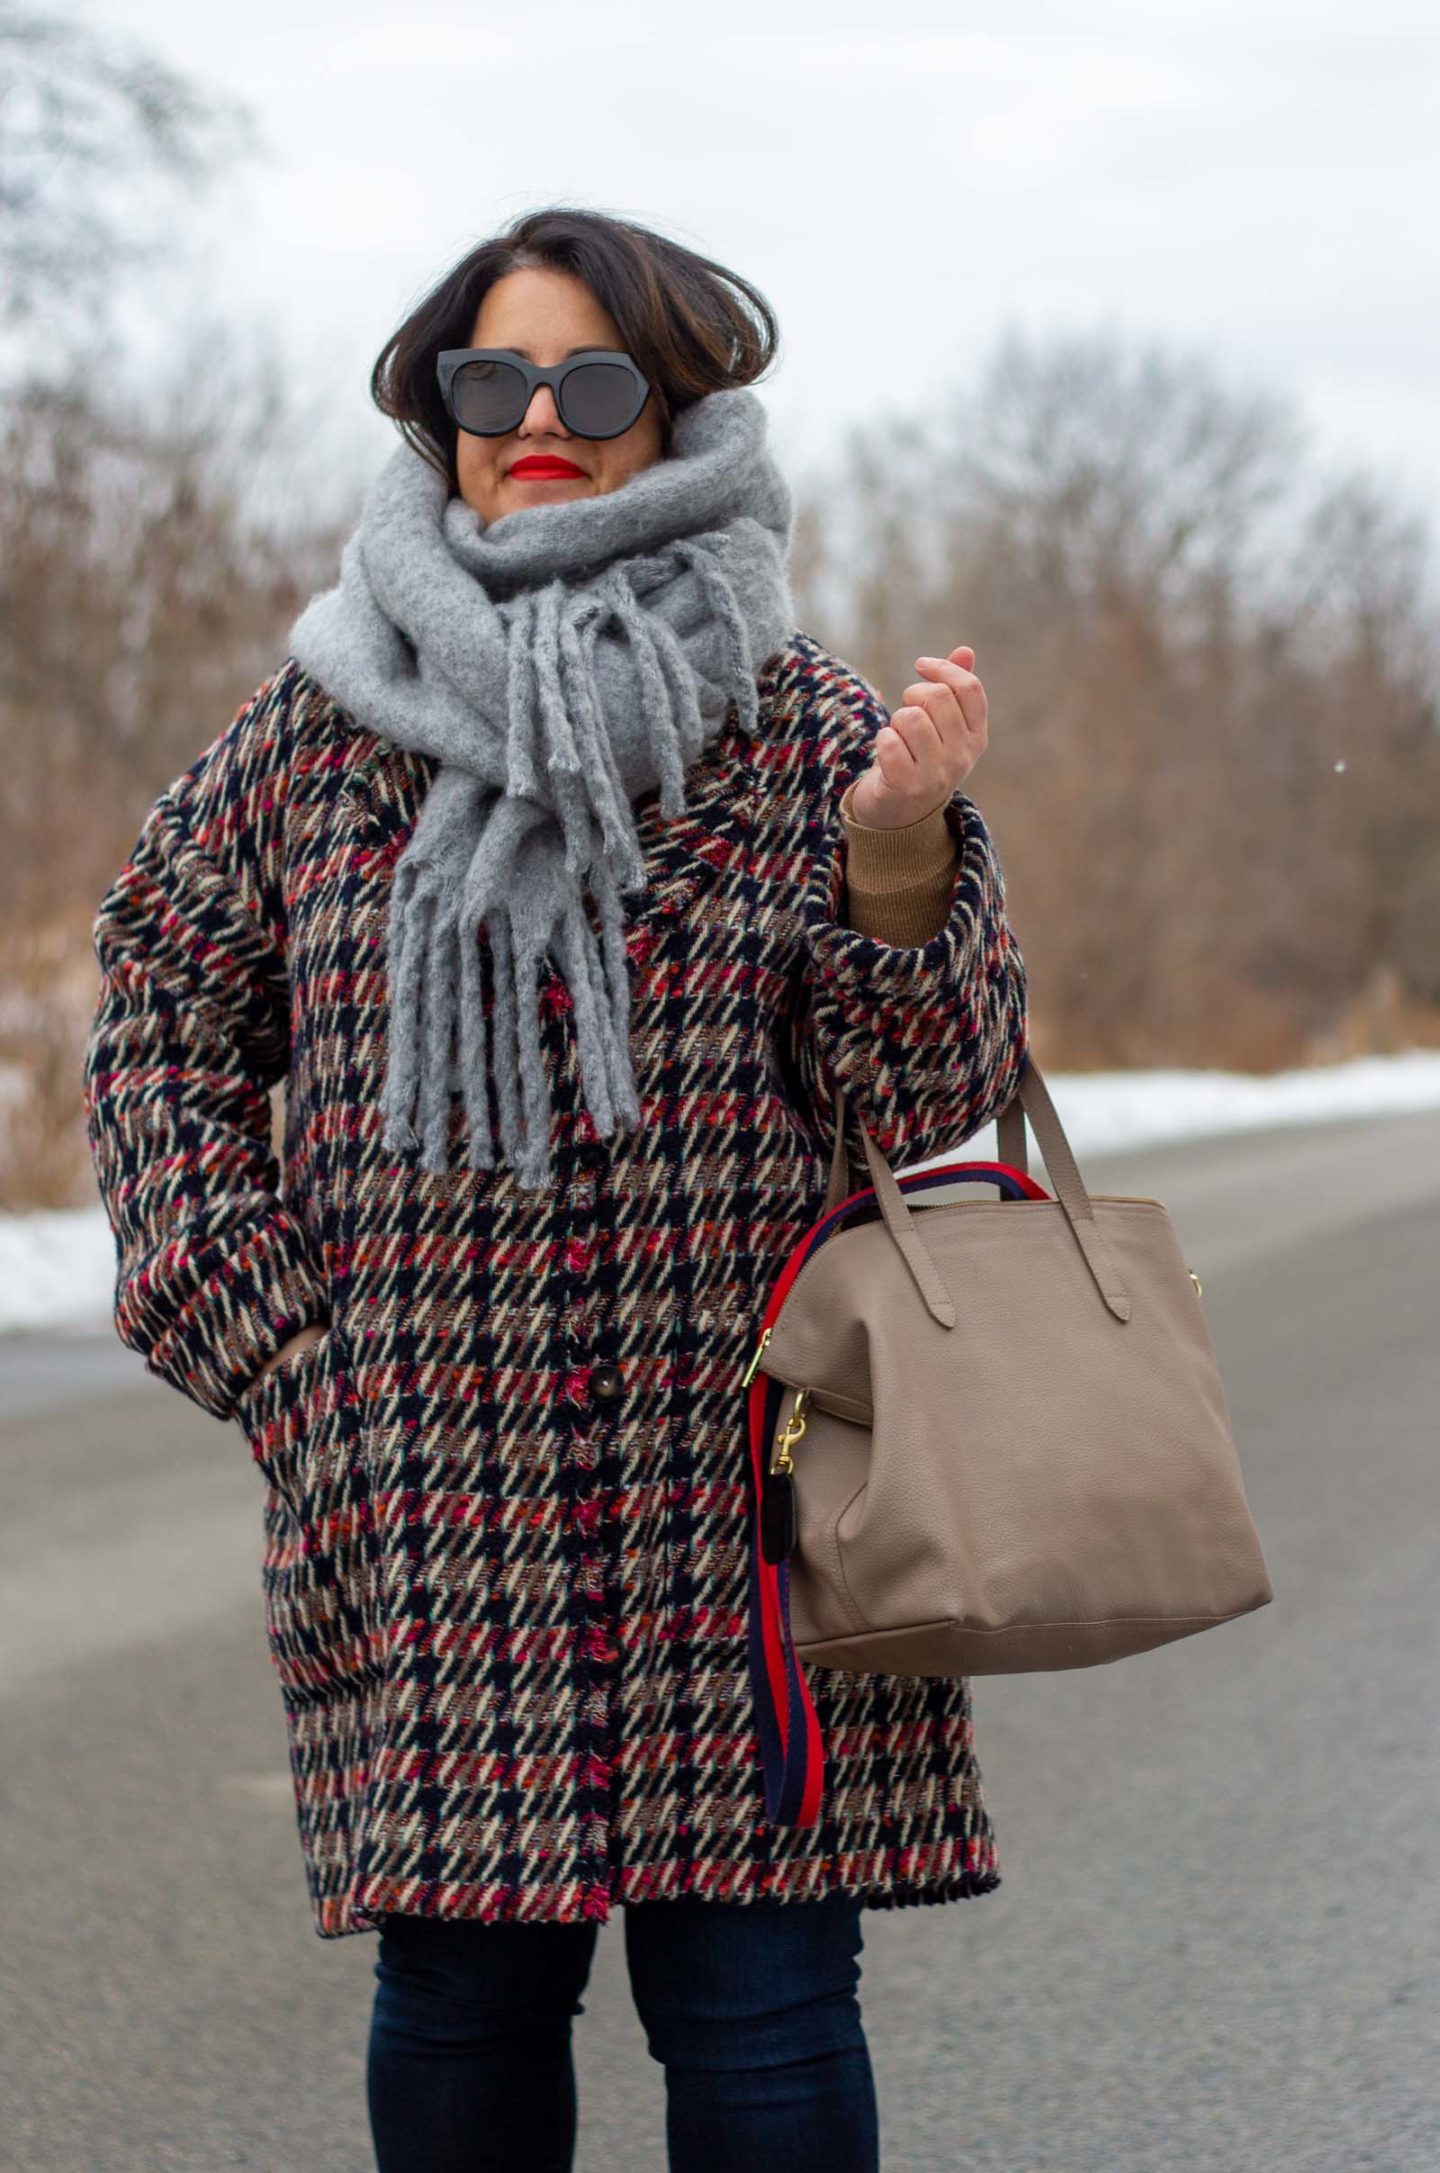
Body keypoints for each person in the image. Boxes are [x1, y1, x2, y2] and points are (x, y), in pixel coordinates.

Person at [82, 205, 1029, 2172]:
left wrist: (901, 860)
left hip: (750, 1478)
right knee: (464, 1996)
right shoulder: (311, 740)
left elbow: (931, 1092)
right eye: (489, 378)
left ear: (670, 416)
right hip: (427, 1487)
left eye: (593, 382)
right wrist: (286, 1358)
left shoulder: (805, 730)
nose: (535, 417)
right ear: (434, 407)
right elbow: (161, 1036)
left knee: (763, 2001)